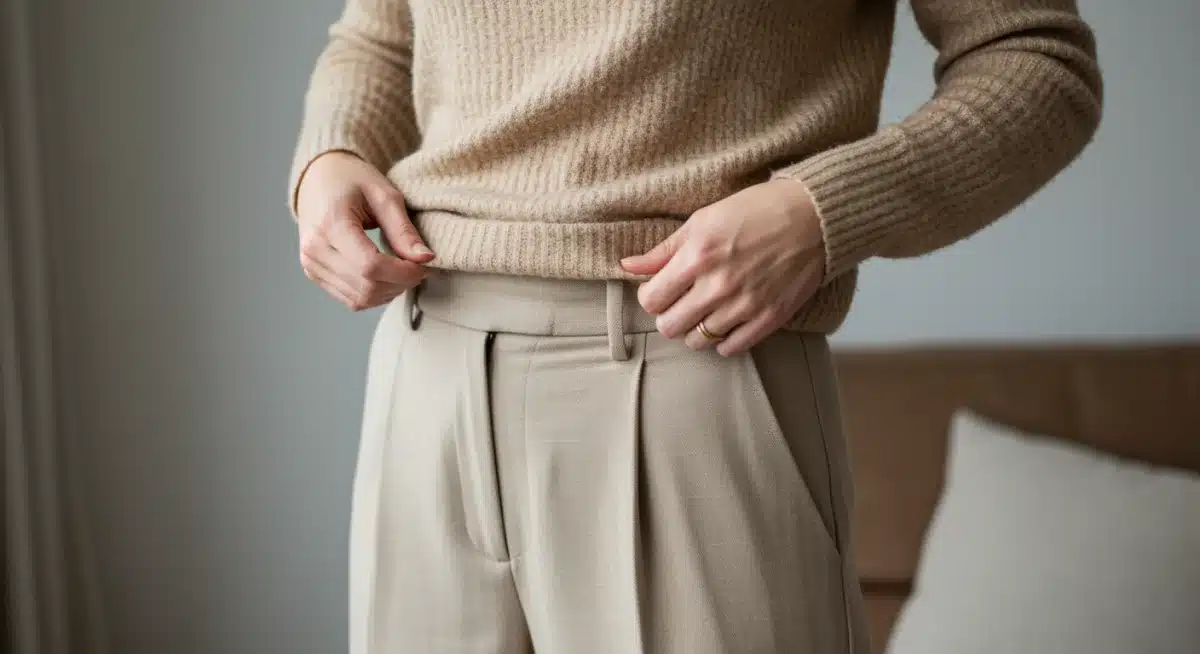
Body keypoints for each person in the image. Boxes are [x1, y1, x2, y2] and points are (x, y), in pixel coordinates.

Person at [288, 1, 1101, 652]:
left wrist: (819, 212)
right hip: (428, 366)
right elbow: (381, 37)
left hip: (692, 359)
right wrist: (330, 156)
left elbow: (1036, 59)